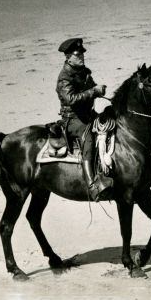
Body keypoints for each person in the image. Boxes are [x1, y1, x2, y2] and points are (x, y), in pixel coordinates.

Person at [56, 37, 112, 200]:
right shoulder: (64, 77)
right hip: (73, 119)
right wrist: (94, 91)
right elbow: (71, 99)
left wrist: (99, 90)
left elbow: (91, 88)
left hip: (87, 115)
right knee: (89, 137)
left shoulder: (83, 72)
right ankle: (92, 185)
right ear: (68, 57)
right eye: (77, 55)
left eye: (82, 54)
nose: (81, 57)